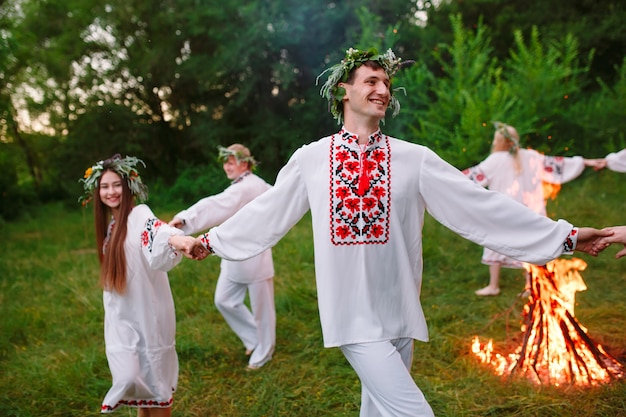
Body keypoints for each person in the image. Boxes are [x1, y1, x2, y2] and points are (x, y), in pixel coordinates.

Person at [187, 47, 610, 417]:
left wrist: (566, 237)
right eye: (372, 80)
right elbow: (267, 211)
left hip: (400, 308)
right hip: (351, 314)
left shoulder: (414, 158)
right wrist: (211, 241)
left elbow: (479, 206)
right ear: (343, 91)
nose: (384, 90)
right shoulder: (311, 159)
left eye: (387, 83)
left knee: (378, 410)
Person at [79, 154, 199, 416]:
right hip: (121, 317)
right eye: (104, 186)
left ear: (129, 186)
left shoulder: (139, 215)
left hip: (148, 313)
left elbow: (157, 231)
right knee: (132, 379)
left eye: (116, 185)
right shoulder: (111, 226)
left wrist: (179, 241)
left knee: (154, 382)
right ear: (97, 191)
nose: (111, 192)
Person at [462, 122, 605, 296]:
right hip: (530, 212)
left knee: (495, 243)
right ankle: (531, 286)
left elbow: (472, 176)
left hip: (503, 212)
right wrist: (585, 162)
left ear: (498, 142)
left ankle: (494, 286)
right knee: (532, 245)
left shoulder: (495, 160)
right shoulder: (531, 156)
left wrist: (444, 178)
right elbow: (557, 164)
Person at [169, 144, 275, 370]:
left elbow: (216, 204)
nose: (226, 167)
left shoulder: (249, 186)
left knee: (262, 308)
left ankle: (264, 350)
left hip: (256, 256)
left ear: (244, 164)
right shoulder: (247, 185)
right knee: (224, 299)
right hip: (234, 255)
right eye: (225, 162)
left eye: (230, 162)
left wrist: (186, 219)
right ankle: (254, 339)